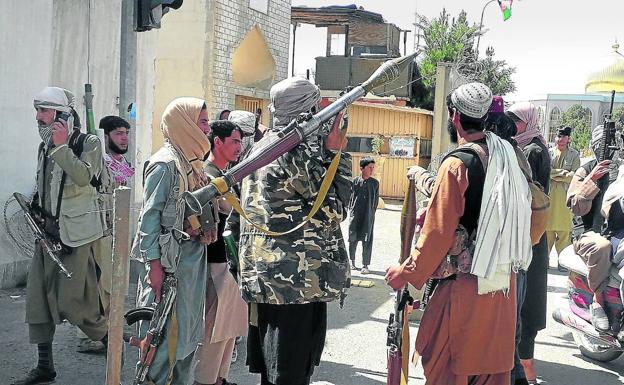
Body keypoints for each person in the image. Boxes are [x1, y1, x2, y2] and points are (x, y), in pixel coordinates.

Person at [386, 82, 531, 385]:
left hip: (464, 293)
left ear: (454, 116)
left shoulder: (457, 164)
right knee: (491, 373)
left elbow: (437, 234)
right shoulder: (509, 156)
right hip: (502, 289)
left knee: (449, 371)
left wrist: (407, 273)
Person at [239, 77, 352, 385]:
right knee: (288, 374)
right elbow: (334, 209)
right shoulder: (295, 151)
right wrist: (337, 154)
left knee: (275, 371)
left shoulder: (262, 144)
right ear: (308, 109)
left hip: (270, 276)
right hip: (295, 281)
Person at [14, 87, 108, 385]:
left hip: (78, 236)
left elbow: (83, 176)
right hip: (48, 234)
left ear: (61, 116)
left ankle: (112, 338)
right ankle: (44, 366)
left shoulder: (88, 143)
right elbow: (46, 185)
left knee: (74, 303)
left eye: (45, 111)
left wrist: (60, 146)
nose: (39, 117)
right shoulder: (44, 147)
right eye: (38, 110)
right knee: (38, 300)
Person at [132, 97, 215, 385]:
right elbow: (149, 220)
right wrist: (153, 267)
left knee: (187, 341)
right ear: (186, 124)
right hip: (168, 269)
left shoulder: (193, 164)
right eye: (202, 122)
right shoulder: (165, 165)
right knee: (162, 340)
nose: (207, 128)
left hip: (190, 269)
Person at [193, 120, 248, 385]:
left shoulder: (227, 173)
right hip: (215, 260)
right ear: (218, 142)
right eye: (234, 141)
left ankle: (219, 378)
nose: (239, 147)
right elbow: (227, 210)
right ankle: (206, 379)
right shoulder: (209, 174)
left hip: (230, 260)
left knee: (228, 328)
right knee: (214, 328)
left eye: (240, 141)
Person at [75, 115, 136, 353]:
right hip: (100, 230)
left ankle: (112, 329)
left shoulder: (124, 163)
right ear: (107, 136)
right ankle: (89, 336)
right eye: (119, 133)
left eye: (126, 133)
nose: (124, 138)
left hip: (119, 230)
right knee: (99, 286)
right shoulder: (99, 163)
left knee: (117, 284)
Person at [507, 101, 552, 384]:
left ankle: (526, 373)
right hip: (533, 231)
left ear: (528, 121)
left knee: (525, 301)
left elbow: (527, 193)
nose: (512, 124)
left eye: (515, 119)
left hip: (530, 234)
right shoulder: (531, 145)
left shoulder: (532, 150)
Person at [567, 125, 619, 331]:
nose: (605, 150)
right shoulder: (586, 169)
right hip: (586, 234)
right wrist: (592, 179)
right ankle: (597, 301)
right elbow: (575, 204)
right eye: (599, 145)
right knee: (602, 247)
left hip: (614, 230)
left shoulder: (619, 169)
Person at [546, 126, 580, 271]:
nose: (560, 140)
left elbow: (575, 176)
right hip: (550, 197)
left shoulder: (574, 155)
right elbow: (547, 172)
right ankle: (544, 261)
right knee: (547, 231)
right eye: (558, 137)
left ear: (568, 139)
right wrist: (563, 173)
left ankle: (562, 262)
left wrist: (557, 175)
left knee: (565, 232)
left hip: (565, 199)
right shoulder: (549, 153)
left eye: (564, 137)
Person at [348, 156, 379, 274]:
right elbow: (349, 197)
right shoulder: (354, 181)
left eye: (373, 168)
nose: (372, 170)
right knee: (353, 238)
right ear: (362, 168)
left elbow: (375, 202)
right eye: (369, 167)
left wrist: (371, 214)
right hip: (355, 214)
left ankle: (365, 264)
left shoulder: (375, 183)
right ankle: (352, 261)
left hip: (368, 216)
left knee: (367, 239)